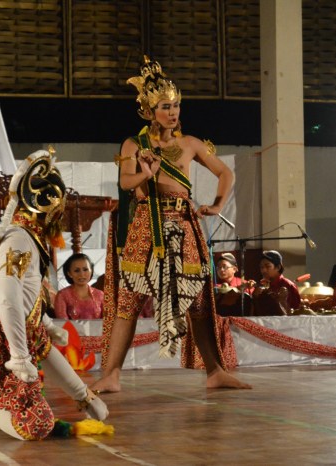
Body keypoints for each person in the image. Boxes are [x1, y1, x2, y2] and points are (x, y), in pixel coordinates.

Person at [93, 56, 251, 393]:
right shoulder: (135, 145)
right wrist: (147, 172)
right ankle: (111, 374)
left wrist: (218, 204)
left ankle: (215, 371)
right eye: (166, 105)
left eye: (177, 104)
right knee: (129, 300)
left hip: (184, 223)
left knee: (196, 300)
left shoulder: (190, 144)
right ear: (150, 111)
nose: (173, 111)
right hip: (146, 223)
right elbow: (125, 183)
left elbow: (226, 173)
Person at [0, 150, 109, 440]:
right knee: (35, 427)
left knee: (52, 411)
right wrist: (21, 357)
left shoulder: (26, 239)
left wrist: (84, 396)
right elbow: (9, 302)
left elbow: (33, 322)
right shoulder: (20, 244)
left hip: (13, 339)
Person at [250, 250, 301, 316]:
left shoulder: (288, 285)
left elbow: (295, 312)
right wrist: (255, 297)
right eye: (261, 267)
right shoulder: (261, 286)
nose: (263, 270)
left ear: (278, 267)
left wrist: (281, 301)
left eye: (267, 266)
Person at [54, 253, 104, 319]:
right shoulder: (62, 295)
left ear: (91, 271)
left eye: (85, 269)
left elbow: (107, 322)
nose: (82, 274)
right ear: (69, 273)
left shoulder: (100, 295)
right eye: (77, 270)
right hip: (68, 329)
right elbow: (62, 324)